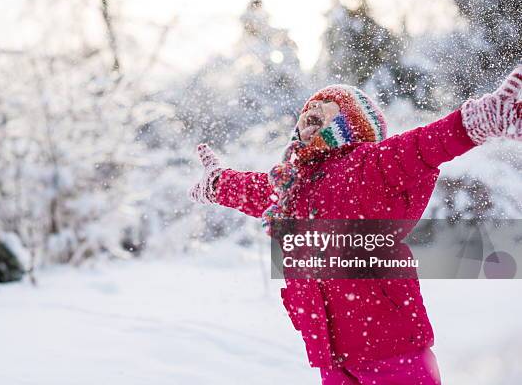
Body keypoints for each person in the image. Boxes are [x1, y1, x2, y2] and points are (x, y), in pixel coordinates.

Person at [188, 66, 521, 384]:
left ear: (354, 122)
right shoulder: (294, 185)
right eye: (309, 106)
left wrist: (476, 121)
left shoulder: (370, 167)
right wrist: (218, 184)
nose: (313, 108)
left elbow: (422, 146)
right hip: (331, 355)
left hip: (389, 349)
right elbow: (255, 190)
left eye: (327, 105)